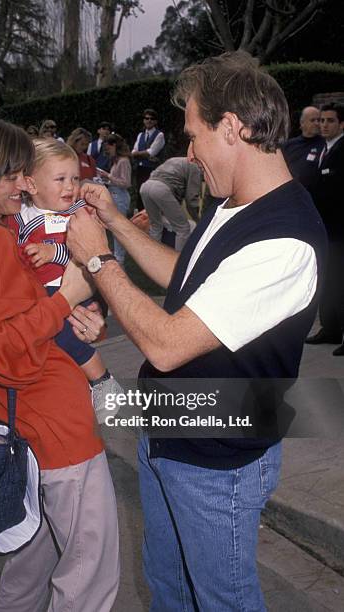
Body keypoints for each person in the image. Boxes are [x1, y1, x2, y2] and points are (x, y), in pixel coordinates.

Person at [66, 51, 327, 611]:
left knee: (221, 600)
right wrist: (113, 226)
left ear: (232, 128)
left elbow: (167, 342)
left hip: (219, 460)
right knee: (170, 589)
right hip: (173, 430)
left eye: (194, 135)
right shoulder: (232, 201)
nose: (189, 152)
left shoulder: (285, 241)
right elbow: (183, 279)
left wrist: (97, 262)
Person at [0, 110, 119, 612]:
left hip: (27, 425)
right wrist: (66, 297)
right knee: (89, 571)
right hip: (55, 425)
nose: (23, 183)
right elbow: (0, 351)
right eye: (11, 174)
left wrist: (74, 313)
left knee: (35, 555)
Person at [7, 137, 122, 421]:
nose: (70, 186)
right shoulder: (18, 214)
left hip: (71, 291)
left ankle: (103, 379)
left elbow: (85, 254)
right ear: (31, 185)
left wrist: (53, 252)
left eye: (74, 178)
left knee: (65, 334)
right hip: (39, 295)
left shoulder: (77, 214)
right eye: (60, 179)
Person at [306, 103, 344, 355]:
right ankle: (330, 329)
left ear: (342, 125)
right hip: (325, 229)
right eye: (321, 120)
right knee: (328, 282)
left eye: (330, 121)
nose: (324, 125)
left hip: (341, 229)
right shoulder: (322, 148)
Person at [140, 156, 202, 252]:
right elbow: (191, 199)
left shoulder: (175, 159)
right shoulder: (195, 167)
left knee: (156, 226)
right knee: (183, 228)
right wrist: (198, 220)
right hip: (162, 189)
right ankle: (176, 262)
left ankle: (153, 258)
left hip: (145, 186)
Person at [97, 133, 132, 265]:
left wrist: (109, 176)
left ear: (114, 146)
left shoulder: (124, 161)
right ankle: (116, 255)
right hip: (114, 195)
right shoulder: (117, 160)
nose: (107, 151)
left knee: (118, 229)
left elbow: (126, 183)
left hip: (121, 197)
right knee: (112, 228)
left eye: (108, 148)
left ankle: (120, 257)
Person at [282, 106, 323, 191]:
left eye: (319, 120)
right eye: (312, 120)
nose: (316, 123)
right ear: (302, 123)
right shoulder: (289, 145)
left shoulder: (324, 145)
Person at [131, 108, 165, 210]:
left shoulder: (159, 135)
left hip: (152, 169)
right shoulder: (140, 135)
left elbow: (152, 152)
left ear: (155, 121)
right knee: (140, 194)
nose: (149, 120)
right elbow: (133, 152)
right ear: (143, 120)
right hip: (140, 169)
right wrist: (145, 154)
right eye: (146, 118)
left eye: (152, 118)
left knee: (150, 195)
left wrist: (139, 154)